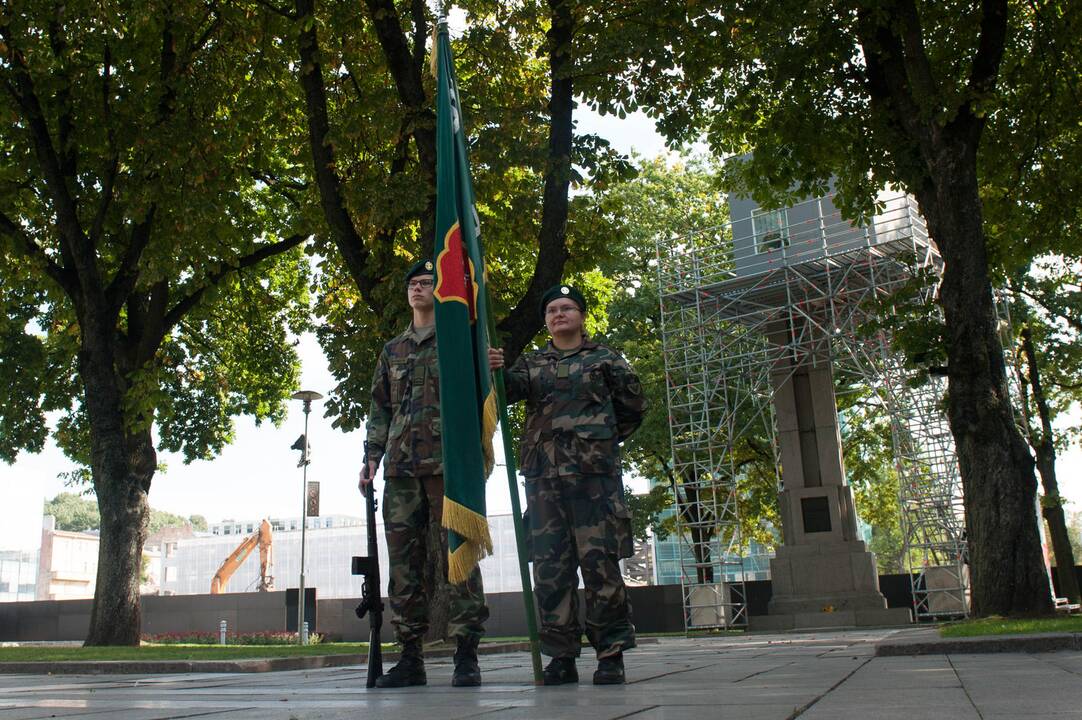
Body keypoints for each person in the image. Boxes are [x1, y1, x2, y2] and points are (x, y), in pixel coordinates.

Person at [488, 284, 645, 686]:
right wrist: (494, 369)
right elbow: (507, 392)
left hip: (595, 483)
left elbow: (631, 409)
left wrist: (598, 444)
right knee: (550, 570)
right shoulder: (532, 363)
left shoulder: (605, 358)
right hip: (544, 482)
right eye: (552, 310)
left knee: (600, 566)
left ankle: (610, 653)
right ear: (546, 321)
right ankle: (561, 656)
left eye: (567, 308)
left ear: (581, 315)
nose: (559, 315)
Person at [362, 259, 489, 688]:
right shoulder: (392, 349)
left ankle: (466, 654)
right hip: (400, 469)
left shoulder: (458, 343)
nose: (418, 289)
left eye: (426, 283)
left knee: (460, 557)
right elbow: (380, 408)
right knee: (404, 567)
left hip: (448, 467)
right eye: (413, 284)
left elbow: (482, 393)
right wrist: (370, 458)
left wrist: (490, 366)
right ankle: (410, 657)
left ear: (441, 290)